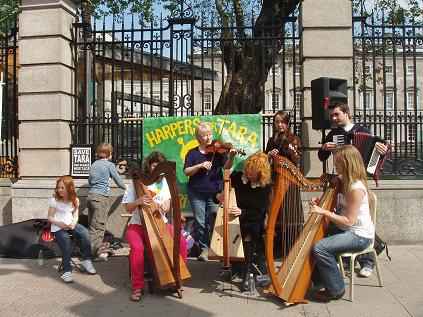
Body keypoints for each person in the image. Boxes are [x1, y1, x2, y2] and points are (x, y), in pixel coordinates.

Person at [317, 102, 387, 277]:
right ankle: (346, 255)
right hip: (342, 179)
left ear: (347, 113)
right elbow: (321, 156)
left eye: (336, 115)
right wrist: (324, 148)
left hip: (359, 181)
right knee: (347, 216)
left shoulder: (362, 130)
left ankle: (368, 260)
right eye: (332, 115)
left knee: (360, 218)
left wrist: (383, 150)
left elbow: (377, 150)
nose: (333, 118)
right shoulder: (333, 134)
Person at [310, 145, 375, 302]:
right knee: (310, 239)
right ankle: (321, 281)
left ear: (347, 163)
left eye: (338, 162)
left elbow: (349, 221)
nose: (335, 165)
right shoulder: (342, 182)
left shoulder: (355, 188)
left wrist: (323, 212)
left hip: (358, 235)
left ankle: (336, 289)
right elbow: (338, 207)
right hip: (345, 230)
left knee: (319, 248)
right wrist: (320, 203)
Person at [122, 151, 188, 302]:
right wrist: (138, 201)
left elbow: (168, 205)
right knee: (138, 249)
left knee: (182, 243)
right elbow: (128, 208)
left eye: (159, 166)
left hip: (161, 224)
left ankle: (176, 277)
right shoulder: (136, 182)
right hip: (137, 225)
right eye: (154, 165)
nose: (156, 168)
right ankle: (137, 286)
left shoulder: (165, 183)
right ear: (148, 166)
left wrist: (166, 206)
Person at [216, 152, 272, 291]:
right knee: (227, 228)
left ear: (261, 173)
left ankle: (247, 273)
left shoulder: (264, 187)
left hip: (253, 219)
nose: (248, 173)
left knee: (247, 232)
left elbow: (259, 211)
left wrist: (242, 212)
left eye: (252, 172)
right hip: (235, 217)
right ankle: (234, 266)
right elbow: (226, 173)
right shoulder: (238, 178)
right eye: (248, 170)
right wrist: (231, 158)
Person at [184, 122, 236, 261]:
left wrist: (231, 157)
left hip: (214, 193)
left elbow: (227, 168)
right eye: (205, 135)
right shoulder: (193, 153)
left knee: (214, 218)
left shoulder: (218, 152)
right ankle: (204, 249)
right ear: (198, 137)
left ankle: (217, 248)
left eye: (210, 134)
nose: (208, 138)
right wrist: (200, 165)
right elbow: (186, 171)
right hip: (196, 192)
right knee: (200, 222)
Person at [265, 111, 304, 256]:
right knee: (276, 211)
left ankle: (292, 247)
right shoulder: (271, 140)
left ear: (287, 123)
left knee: (290, 212)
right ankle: (277, 248)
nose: (280, 125)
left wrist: (292, 151)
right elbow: (265, 160)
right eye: (277, 122)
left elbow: (297, 160)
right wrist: (269, 155)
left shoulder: (293, 139)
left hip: (289, 182)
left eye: (283, 122)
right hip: (275, 180)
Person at [48, 176, 96, 283]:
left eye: (62, 188)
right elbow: (50, 217)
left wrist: (73, 224)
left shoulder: (75, 200)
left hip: (71, 224)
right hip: (58, 227)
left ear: (69, 188)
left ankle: (86, 260)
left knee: (85, 233)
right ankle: (66, 271)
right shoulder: (54, 200)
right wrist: (60, 224)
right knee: (66, 241)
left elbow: (75, 215)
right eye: (58, 187)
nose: (59, 190)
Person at [87, 143, 127, 261]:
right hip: (101, 197)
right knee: (99, 227)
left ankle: (89, 250)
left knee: (92, 227)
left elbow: (90, 181)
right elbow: (118, 181)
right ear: (109, 154)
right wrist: (127, 189)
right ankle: (95, 254)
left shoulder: (94, 164)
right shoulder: (109, 165)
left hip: (91, 196)